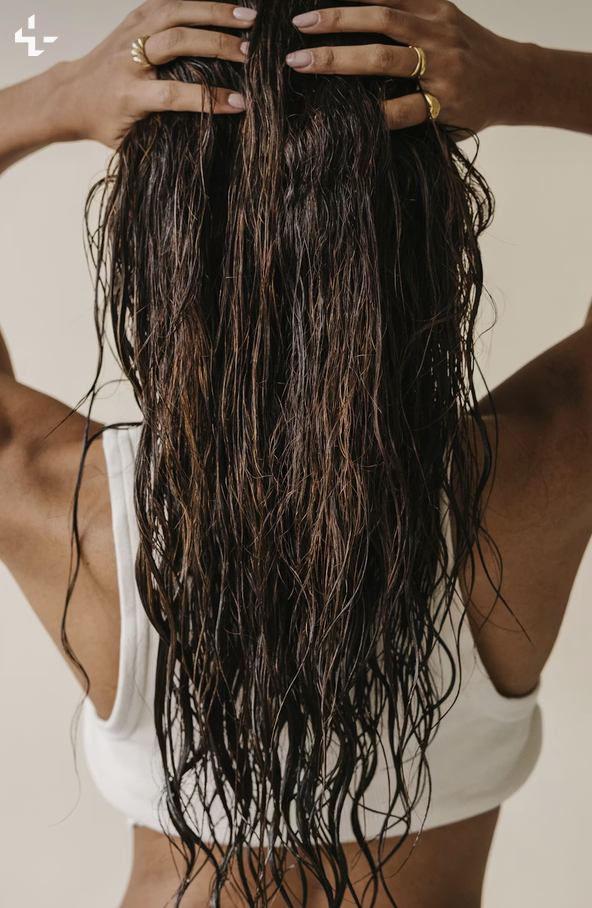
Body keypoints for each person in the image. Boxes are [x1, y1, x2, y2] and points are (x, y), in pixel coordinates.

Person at [1, 2, 592, 907]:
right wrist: (526, 78)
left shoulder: (54, 496)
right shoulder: (544, 463)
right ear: (423, 238)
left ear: (157, 246)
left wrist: (56, 95)